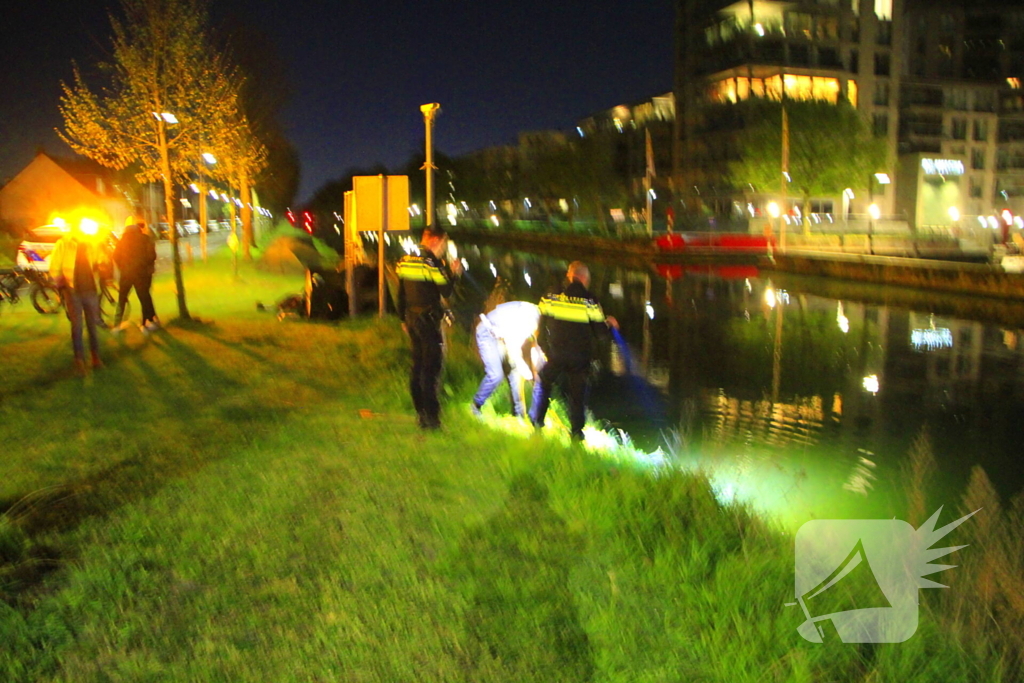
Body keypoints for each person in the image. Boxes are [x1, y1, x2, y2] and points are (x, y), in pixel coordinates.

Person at [529, 261, 618, 441]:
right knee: (577, 396)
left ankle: (537, 423)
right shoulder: (589, 300)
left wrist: (546, 349)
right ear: (584, 278)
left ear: (570, 275)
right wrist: (610, 324)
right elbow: (600, 334)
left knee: (544, 383)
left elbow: (540, 325)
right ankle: (576, 433)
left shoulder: (551, 295)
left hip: (555, 355)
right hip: (580, 358)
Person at [397, 226, 462, 430]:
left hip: (411, 319)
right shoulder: (432, 263)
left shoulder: (405, 259)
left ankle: (420, 413)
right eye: (444, 244)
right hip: (428, 320)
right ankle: (431, 419)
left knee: (416, 367)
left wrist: (403, 320)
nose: (444, 249)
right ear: (436, 241)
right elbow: (447, 291)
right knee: (431, 368)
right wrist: (454, 273)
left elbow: (400, 293)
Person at [49, 219, 111, 374]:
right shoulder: (64, 244)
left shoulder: (92, 243)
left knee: (92, 326)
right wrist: (58, 279)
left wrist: (104, 261)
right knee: (77, 327)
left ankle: (96, 358)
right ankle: (79, 360)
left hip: (91, 290)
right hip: (73, 291)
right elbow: (54, 266)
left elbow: (101, 259)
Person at [472, 301, 541, 419]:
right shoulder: (531, 319)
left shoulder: (538, 318)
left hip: (502, 335)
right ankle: (475, 407)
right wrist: (523, 366)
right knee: (496, 374)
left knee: (515, 374)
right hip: (488, 333)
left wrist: (535, 375)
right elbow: (513, 346)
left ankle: (519, 416)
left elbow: (536, 350)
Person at [113, 215, 159, 333]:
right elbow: (151, 256)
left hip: (126, 274)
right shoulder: (145, 239)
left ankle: (117, 324)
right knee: (144, 297)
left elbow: (115, 256)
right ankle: (145, 323)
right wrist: (145, 265)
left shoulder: (122, 240)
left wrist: (122, 267)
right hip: (141, 274)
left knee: (122, 298)